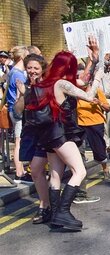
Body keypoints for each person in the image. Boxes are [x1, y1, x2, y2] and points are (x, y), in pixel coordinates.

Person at [22, 46, 105, 231]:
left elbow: (81, 81)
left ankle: (55, 214)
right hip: (59, 135)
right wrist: (99, 77)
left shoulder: (44, 83)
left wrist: (93, 61)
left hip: (47, 136)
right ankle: (63, 212)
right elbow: (89, 96)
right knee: (80, 171)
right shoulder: (61, 84)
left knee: (55, 175)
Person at [14, 53, 50, 224]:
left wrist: (29, 92)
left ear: (42, 69)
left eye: (36, 68)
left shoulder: (46, 85)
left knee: (37, 169)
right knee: (36, 171)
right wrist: (22, 95)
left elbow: (43, 106)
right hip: (31, 133)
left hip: (47, 133)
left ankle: (46, 205)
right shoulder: (24, 85)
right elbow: (18, 110)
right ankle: (47, 204)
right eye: (29, 68)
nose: (32, 71)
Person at [8, 46, 30, 184]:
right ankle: (19, 172)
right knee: (18, 142)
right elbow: (20, 94)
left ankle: (20, 171)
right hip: (18, 110)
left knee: (18, 141)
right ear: (22, 57)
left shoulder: (12, 71)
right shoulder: (19, 74)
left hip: (13, 109)